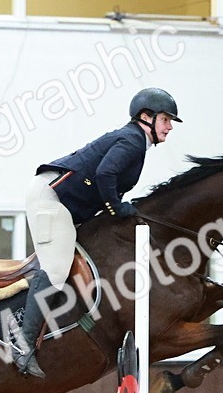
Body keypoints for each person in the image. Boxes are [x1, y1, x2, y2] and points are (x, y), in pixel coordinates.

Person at [16, 87, 181, 378]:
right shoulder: (132, 139)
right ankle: (22, 346)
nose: (169, 126)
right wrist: (117, 208)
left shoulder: (135, 141)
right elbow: (106, 174)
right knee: (56, 270)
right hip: (50, 198)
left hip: (63, 201)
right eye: (166, 119)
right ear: (146, 117)